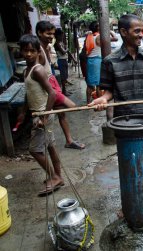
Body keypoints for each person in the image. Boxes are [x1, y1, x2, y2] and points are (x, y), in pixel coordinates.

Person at [88, 14, 143, 205]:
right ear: (123, 32)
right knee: (128, 165)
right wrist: (102, 100)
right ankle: (129, 203)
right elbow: (108, 92)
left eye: (142, 30)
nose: (142, 34)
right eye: (137, 31)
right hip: (125, 125)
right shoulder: (110, 61)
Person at [19, 34, 64, 195]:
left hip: (43, 115)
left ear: (38, 51)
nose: (29, 54)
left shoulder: (37, 70)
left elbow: (51, 94)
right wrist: (23, 112)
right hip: (36, 113)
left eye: (32, 51)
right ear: (21, 52)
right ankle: (58, 176)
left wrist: (44, 117)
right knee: (50, 146)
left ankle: (54, 177)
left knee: (35, 150)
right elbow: (29, 93)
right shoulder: (27, 70)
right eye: (25, 51)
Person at [36, 21, 85, 150]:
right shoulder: (38, 50)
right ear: (39, 33)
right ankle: (48, 143)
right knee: (72, 107)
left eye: (52, 34)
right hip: (48, 87)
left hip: (52, 83)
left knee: (62, 113)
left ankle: (69, 140)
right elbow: (36, 72)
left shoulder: (46, 47)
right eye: (48, 33)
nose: (51, 36)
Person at [54, 28, 77, 95]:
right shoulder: (57, 43)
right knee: (63, 77)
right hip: (61, 60)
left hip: (64, 60)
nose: (62, 37)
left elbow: (68, 52)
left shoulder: (61, 43)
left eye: (62, 35)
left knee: (65, 76)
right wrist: (66, 48)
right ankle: (63, 91)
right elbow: (64, 52)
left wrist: (73, 59)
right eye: (61, 35)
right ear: (57, 35)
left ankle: (65, 90)